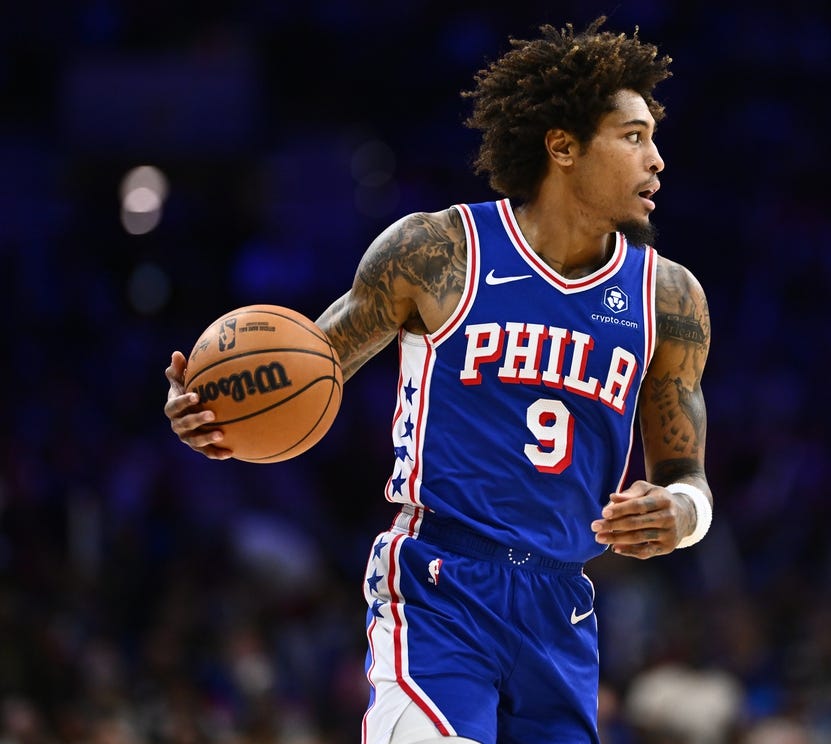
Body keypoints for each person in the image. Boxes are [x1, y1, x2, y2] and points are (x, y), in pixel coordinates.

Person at [164, 16, 713, 744]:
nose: (658, 161)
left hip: (562, 605)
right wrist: (217, 418)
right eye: (634, 136)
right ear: (563, 148)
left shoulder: (669, 300)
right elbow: (309, 367)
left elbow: (688, 477)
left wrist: (680, 513)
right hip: (440, 583)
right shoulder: (438, 252)